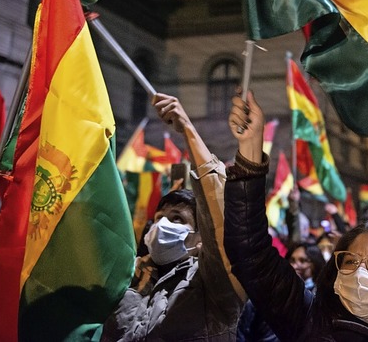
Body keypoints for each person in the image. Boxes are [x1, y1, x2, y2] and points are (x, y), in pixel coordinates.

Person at [224, 92, 368, 341]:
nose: (360, 274)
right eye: (350, 262)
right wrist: (250, 152)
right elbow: (251, 253)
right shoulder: (309, 319)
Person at [101, 92, 266, 341]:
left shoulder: (213, 286)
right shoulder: (128, 279)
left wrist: (188, 129)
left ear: (201, 238)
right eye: (159, 217)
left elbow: (221, 218)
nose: (162, 225)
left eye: (177, 218)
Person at [237, 243, 325, 341]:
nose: (295, 265)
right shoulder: (268, 292)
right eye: (292, 260)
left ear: (315, 264)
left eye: (303, 261)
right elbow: (243, 330)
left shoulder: (321, 298)